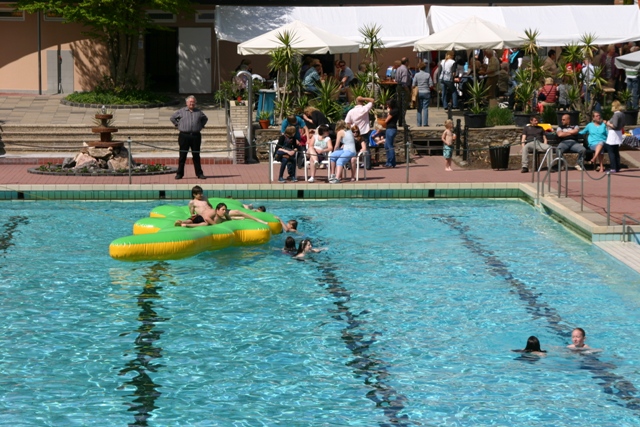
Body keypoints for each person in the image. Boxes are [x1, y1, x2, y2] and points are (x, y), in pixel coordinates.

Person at [169, 95, 208, 180]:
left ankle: (199, 173)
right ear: (186, 103)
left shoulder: (199, 112)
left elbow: (205, 119)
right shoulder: (181, 111)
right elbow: (172, 118)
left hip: (195, 136)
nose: (192, 103)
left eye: (193, 102)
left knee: (196, 156)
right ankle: (179, 174)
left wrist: (201, 125)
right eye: (190, 102)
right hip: (184, 136)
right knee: (182, 156)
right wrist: (178, 125)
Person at [177, 202, 267, 227]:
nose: (224, 211)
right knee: (195, 221)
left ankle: (184, 224)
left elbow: (228, 220)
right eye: (223, 210)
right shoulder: (213, 212)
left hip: (202, 220)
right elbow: (207, 218)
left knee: (202, 224)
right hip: (200, 217)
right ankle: (183, 222)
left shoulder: (220, 216)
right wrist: (215, 225)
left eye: (225, 210)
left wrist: (236, 218)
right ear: (217, 210)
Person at [345, 96, 375, 169]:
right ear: (362, 102)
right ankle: (367, 165)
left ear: (356, 102)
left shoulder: (351, 111)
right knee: (366, 148)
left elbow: (347, 122)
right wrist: (363, 98)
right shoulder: (365, 108)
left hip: (354, 132)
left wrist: (351, 129)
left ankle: (350, 165)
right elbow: (372, 100)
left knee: (352, 148)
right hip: (364, 131)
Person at [604, 100, 625, 173]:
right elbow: (623, 124)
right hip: (618, 133)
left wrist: (607, 123)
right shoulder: (622, 114)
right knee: (616, 151)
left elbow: (615, 125)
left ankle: (613, 167)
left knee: (611, 151)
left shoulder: (616, 114)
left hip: (613, 134)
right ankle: (617, 166)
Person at [412, 62, 433, 127]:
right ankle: (425, 123)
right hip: (426, 92)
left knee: (419, 108)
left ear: (419, 68)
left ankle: (419, 123)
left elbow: (413, 84)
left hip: (419, 92)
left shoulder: (416, 75)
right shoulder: (428, 75)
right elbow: (431, 84)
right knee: (425, 108)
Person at [395, 57, 411, 126]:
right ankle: (402, 121)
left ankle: (400, 121)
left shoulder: (398, 68)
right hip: (403, 88)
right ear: (406, 62)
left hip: (398, 87)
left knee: (399, 105)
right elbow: (404, 82)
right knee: (404, 105)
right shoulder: (404, 69)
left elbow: (396, 79)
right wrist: (408, 91)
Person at [384, 98, 399, 168]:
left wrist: (388, 112)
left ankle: (391, 163)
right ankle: (388, 162)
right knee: (386, 146)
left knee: (389, 146)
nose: (387, 105)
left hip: (391, 129)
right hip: (389, 129)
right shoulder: (394, 110)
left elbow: (386, 120)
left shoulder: (393, 111)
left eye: (388, 104)